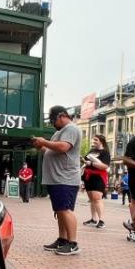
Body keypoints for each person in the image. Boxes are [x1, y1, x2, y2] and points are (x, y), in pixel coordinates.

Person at [35, 105, 82, 256]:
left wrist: (44, 141)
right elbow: (52, 150)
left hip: (65, 178)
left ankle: (73, 243)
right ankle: (63, 239)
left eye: (53, 120)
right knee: (60, 211)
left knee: (65, 210)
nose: (53, 124)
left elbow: (63, 147)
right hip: (57, 178)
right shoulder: (60, 132)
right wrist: (41, 146)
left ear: (62, 116)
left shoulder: (71, 129)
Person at [82, 134, 111, 228]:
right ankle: (94, 219)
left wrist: (91, 163)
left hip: (99, 177)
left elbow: (105, 166)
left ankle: (101, 220)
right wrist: (84, 161)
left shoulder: (105, 152)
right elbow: (85, 160)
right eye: (93, 140)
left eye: (96, 140)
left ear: (101, 141)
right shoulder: (91, 150)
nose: (94, 142)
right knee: (92, 199)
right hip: (88, 177)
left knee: (97, 198)